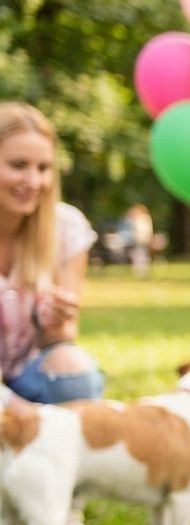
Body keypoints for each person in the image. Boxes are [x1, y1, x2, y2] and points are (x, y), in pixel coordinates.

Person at [0, 102, 104, 406]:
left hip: (28, 376)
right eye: (18, 165)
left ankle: (65, 437)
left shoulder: (65, 228)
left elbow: (64, 338)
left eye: (43, 168)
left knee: (73, 369)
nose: (33, 182)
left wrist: (56, 327)